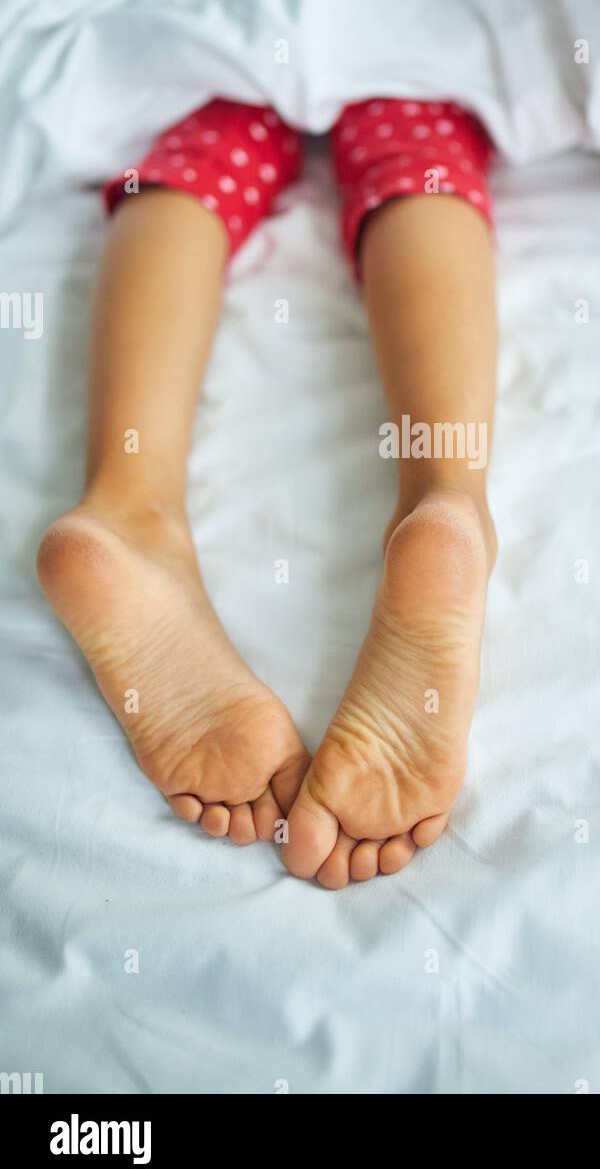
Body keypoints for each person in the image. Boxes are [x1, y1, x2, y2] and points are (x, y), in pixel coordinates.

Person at [36, 94, 499, 889]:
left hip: (221, 17)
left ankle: (126, 504)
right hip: (414, 12)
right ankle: (445, 493)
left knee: (190, 170)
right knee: (420, 157)